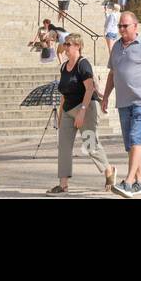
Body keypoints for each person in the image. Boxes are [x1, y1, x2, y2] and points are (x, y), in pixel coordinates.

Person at [100, 11, 141, 197]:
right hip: (123, 102)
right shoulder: (116, 47)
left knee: (136, 138)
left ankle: (128, 182)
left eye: (124, 26)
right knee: (130, 144)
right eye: (119, 26)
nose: (121, 29)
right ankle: (140, 182)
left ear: (135, 26)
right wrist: (105, 97)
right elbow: (112, 74)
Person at [50, 33, 117, 194]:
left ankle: (109, 170)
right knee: (64, 147)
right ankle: (63, 184)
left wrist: (82, 112)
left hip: (86, 107)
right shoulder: (63, 66)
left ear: (77, 46)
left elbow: (89, 89)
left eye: (68, 44)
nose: (65, 47)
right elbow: (63, 94)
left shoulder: (83, 64)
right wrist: (60, 115)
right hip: (67, 109)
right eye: (64, 44)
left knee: (90, 144)